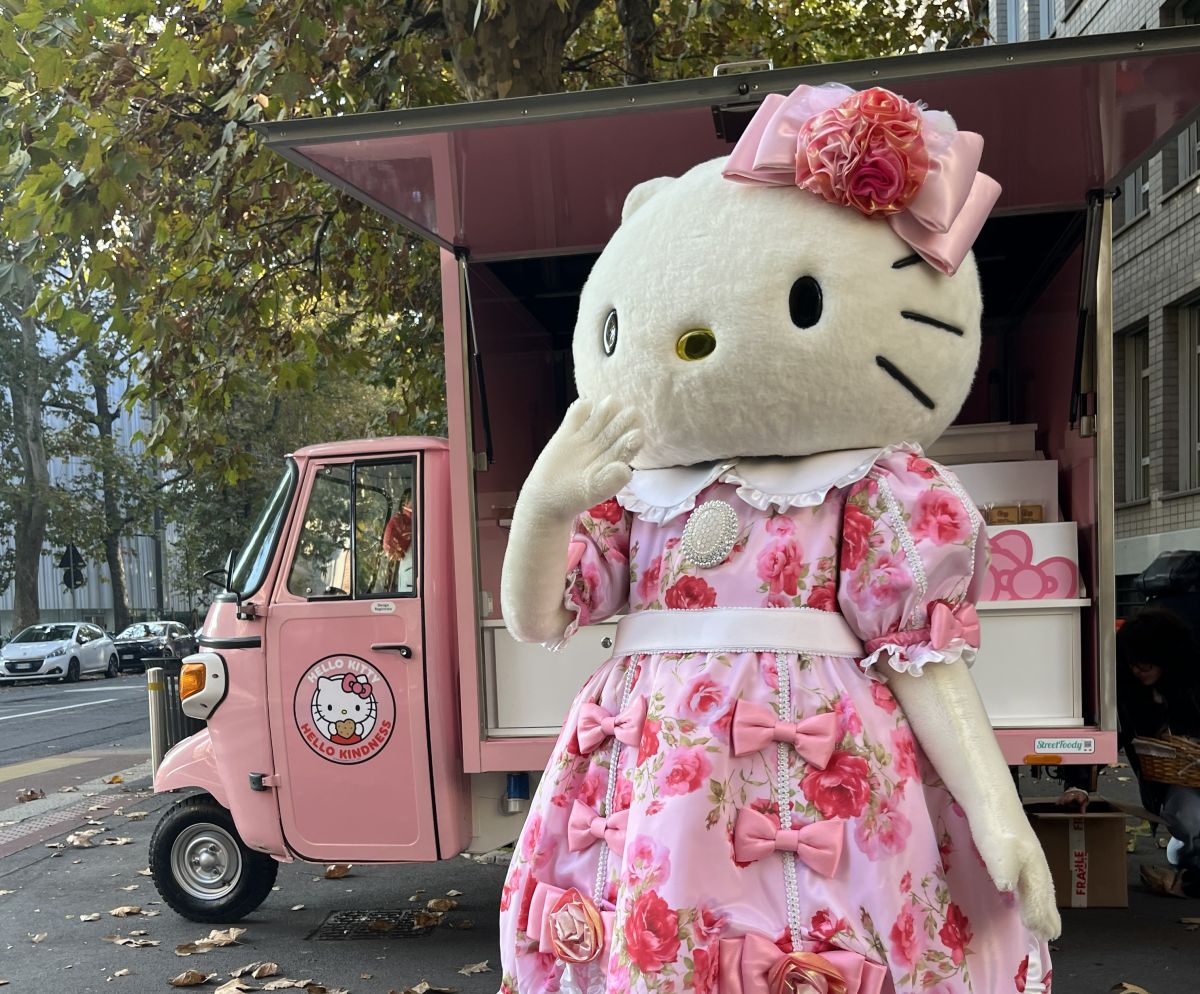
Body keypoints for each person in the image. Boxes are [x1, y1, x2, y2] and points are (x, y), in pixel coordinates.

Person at [1059, 608, 1200, 897]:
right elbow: (1106, 738)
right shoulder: (1129, 694)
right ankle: (1191, 858)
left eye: (1146, 662)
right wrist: (1078, 784)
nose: (1139, 669)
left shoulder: (1192, 686)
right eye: (1133, 662)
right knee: (1185, 814)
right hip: (1180, 780)